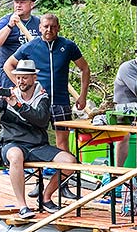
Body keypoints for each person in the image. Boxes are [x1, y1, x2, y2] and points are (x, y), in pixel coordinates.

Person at [0, 59, 77, 219]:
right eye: (18, 78)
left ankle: (45, 197)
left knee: (70, 162)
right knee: (16, 156)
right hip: (12, 143)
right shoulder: (9, 96)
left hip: (38, 145)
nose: (20, 81)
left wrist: (18, 105)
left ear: (33, 78)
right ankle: (22, 205)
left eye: (24, 78)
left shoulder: (43, 97)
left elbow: (41, 120)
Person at [5, 12, 90, 158]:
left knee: (62, 144)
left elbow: (85, 68)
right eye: (45, 26)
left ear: (58, 28)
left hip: (60, 101)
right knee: (34, 139)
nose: (49, 30)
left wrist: (82, 96)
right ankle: (40, 169)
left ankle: (62, 177)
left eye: (52, 27)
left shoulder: (68, 46)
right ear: (39, 27)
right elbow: (8, 65)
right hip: (37, 101)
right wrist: (22, 88)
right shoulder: (31, 46)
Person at [0, 0, 40, 88]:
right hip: (9, 76)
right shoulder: (6, 20)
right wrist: (10, 26)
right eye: (16, 2)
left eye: (22, 2)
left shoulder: (38, 22)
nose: (18, 5)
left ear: (31, 5)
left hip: (30, 76)